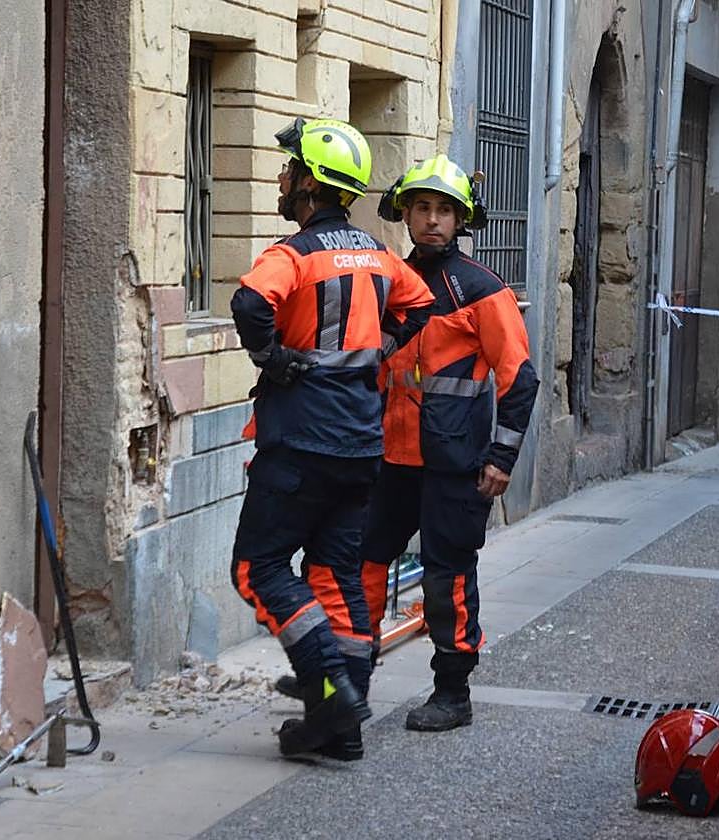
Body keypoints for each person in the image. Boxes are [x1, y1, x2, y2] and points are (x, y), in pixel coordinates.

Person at [229, 118, 435, 759]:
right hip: (360, 447)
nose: (282, 177)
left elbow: (248, 304)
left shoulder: (290, 254)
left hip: (298, 444)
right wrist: (381, 350)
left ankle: (328, 687)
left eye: (290, 169)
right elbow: (420, 304)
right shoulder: (377, 256)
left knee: (258, 568)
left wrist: (273, 357)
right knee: (335, 574)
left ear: (311, 184)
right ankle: (342, 726)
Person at [360, 154, 539, 732]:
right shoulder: (390, 283)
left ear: (461, 219)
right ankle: (349, 682)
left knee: (447, 577)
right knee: (361, 565)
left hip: (454, 463)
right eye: (422, 208)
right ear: (405, 215)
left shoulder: (483, 290)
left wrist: (502, 458)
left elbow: (520, 378)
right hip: (388, 458)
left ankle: (452, 693)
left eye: (443, 210)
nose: (432, 220)